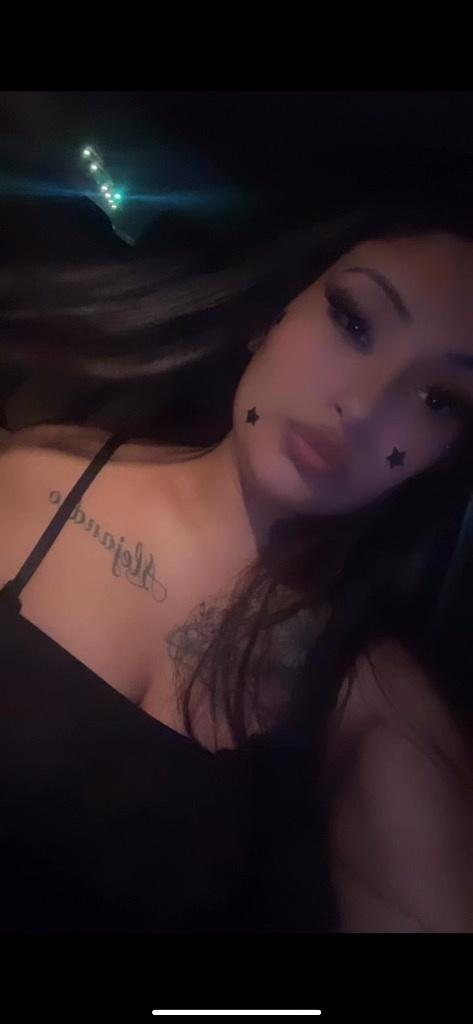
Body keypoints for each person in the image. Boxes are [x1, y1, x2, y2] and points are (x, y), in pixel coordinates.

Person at [0, 171, 472, 934]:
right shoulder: (35, 477)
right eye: (353, 321)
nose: (361, 406)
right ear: (273, 315)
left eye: (437, 400)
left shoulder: (374, 704)